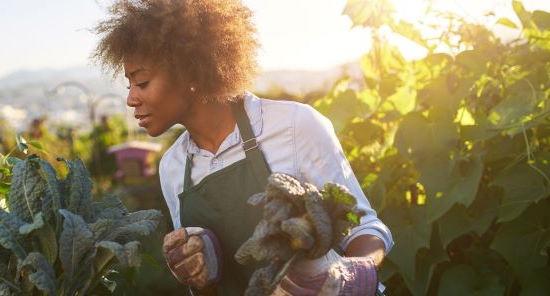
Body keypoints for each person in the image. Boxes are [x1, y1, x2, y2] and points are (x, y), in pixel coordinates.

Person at [92, 1, 393, 295]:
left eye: (141, 82)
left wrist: (356, 273)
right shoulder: (172, 168)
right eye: (129, 84)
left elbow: (365, 226)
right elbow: (207, 289)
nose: (131, 98)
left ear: (191, 72)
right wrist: (200, 277)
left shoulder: (294, 126)